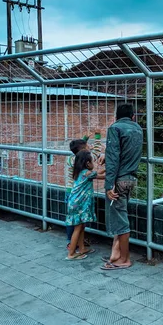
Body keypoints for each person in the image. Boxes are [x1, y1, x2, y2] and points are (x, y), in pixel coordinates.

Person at [102, 103, 143, 270]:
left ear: (116, 116)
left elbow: (113, 158)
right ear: (133, 116)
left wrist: (108, 185)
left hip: (118, 180)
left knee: (121, 220)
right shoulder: (138, 129)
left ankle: (124, 259)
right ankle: (116, 254)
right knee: (121, 216)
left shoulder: (115, 128)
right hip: (131, 179)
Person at [65, 133, 104, 252]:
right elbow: (96, 153)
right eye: (87, 146)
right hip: (79, 196)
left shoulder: (72, 159)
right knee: (77, 224)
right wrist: (97, 137)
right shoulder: (85, 168)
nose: (89, 147)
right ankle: (72, 246)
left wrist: (84, 140)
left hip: (70, 192)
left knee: (74, 221)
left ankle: (76, 244)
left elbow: (80, 148)